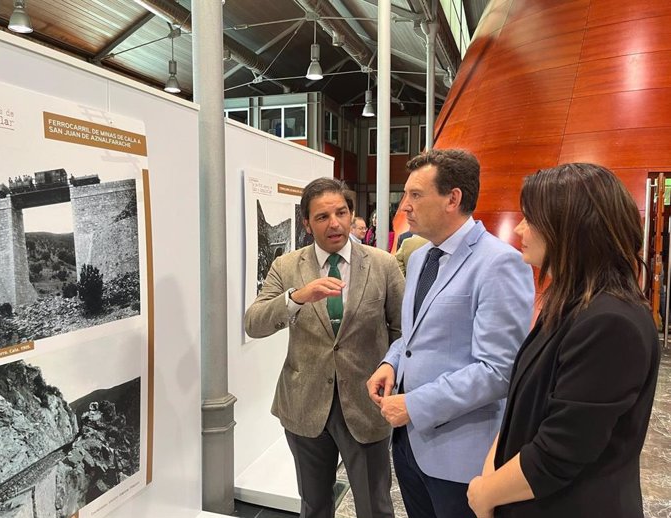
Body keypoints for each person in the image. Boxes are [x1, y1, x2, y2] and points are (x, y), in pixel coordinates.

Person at [466, 163, 661, 518]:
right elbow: (524, 408)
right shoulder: (570, 303)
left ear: (570, 228)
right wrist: (491, 474)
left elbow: (561, 449)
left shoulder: (610, 323)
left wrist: (485, 493)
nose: (521, 228)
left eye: (531, 218)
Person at [366, 149, 535, 518]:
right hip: (410, 447)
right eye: (405, 194)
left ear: (453, 198)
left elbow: (499, 370)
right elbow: (413, 335)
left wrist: (415, 404)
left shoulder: (498, 264)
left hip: (461, 457)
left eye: (415, 195)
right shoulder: (420, 257)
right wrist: (390, 362)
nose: (404, 205)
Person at [245, 177, 405, 518]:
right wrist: (297, 298)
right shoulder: (286, 267)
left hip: (366, 404)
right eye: (322, 216)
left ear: (351, 214)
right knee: (314, 506)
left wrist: (392, 375)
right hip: (304, 405)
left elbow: (403, 332)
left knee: (375, 507)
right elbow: (254, 322)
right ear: (306, 222)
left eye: (341, 212)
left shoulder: (383, 264)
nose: (334, 223)